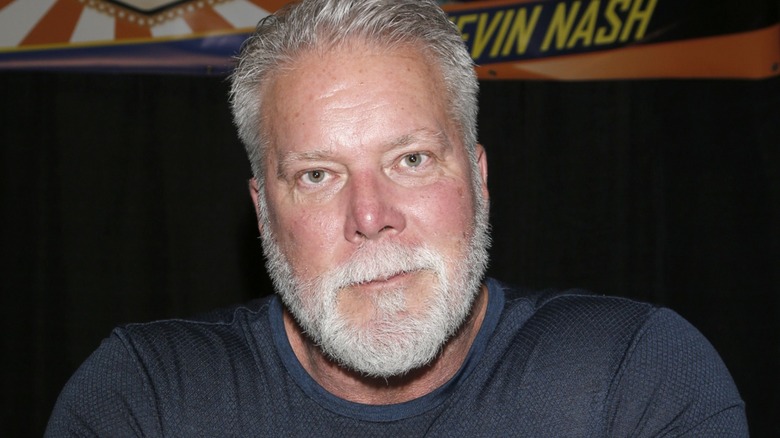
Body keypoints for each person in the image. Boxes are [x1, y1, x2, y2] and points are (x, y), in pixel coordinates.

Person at [46, 0, 747, 435]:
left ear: (477, 177)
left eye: (410, 160)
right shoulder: (145, 401)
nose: (371, 216)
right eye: (318, 176)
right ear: (263, 213)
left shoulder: (634, 378)